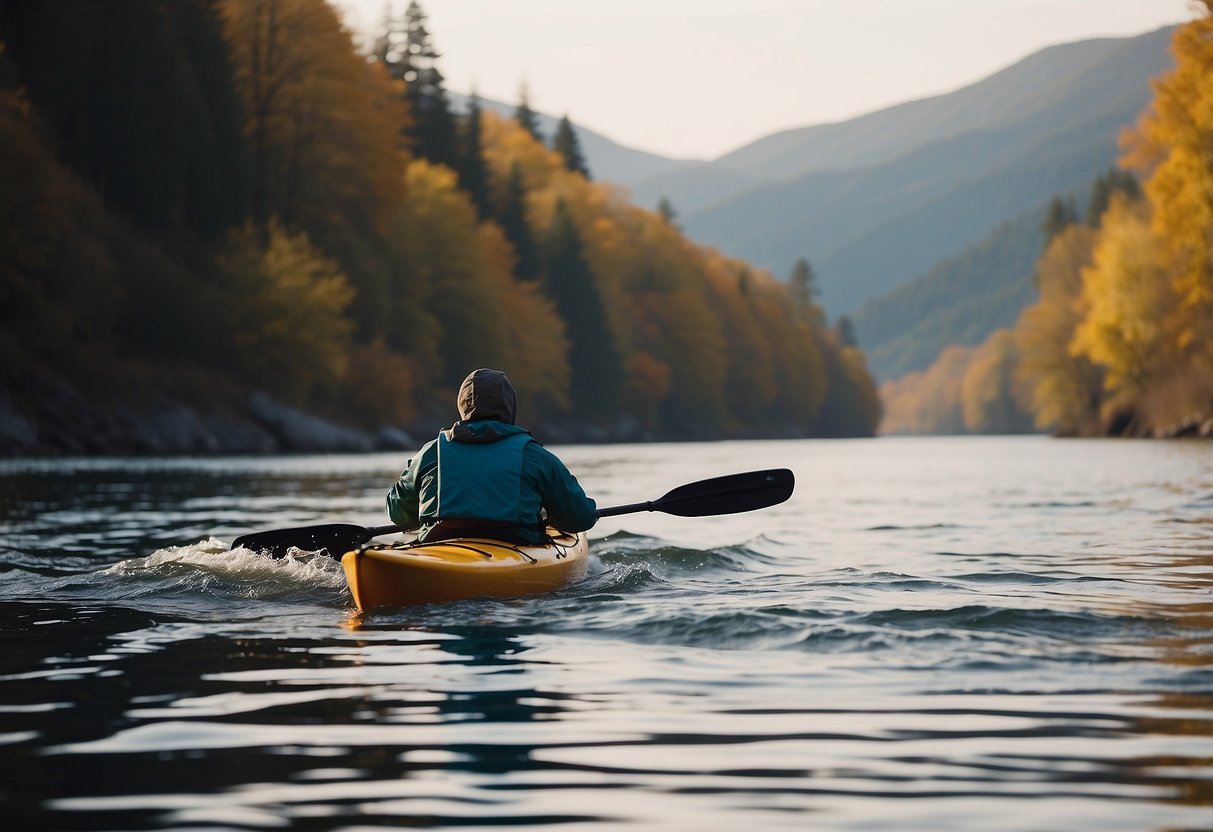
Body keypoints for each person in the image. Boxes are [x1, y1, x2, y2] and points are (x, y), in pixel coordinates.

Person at [387, 368, 598, 544]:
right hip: (515, 545)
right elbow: (579, 519)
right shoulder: (534, 455)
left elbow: (398, 513)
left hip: (440, 543)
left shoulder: (431, 452)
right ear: (509, 406)